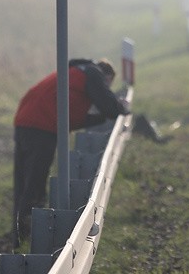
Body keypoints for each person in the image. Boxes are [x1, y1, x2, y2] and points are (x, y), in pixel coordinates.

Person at [12, 58, 129, 246]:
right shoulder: (93, 74)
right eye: (107, 85)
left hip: (25, 119)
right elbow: (108, 106)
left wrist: (103, 114)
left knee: (23, 180)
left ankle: (18, 234)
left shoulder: (75, 73)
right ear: (105, 77)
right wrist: (120, 107)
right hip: (41, 125)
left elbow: (73, 119)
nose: (105, 88)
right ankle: (27, 235)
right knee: (35, 182)